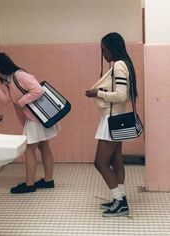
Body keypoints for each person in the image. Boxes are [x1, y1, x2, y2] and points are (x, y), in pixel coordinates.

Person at [0, 52, 60, 194]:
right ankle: (48, 180)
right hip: (35, 118)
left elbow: (38, 90)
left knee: (29, 150)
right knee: (44, 146)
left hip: (35, 118)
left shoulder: (19, 75)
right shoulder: (7, 80)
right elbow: (5, 101)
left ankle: (29, 184)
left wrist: (21, 102)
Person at [85, 32, 138, 217]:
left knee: (100, 163)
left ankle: (120, 202)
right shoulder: (123, 64)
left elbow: (121, 95)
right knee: (116, 161)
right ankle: (119, 199)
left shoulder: (119, 66)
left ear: (113, 48)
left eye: (104, 50)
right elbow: (121, 94)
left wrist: (97, 93)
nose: (103, 54)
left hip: (112, 119)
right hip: (117, 117)